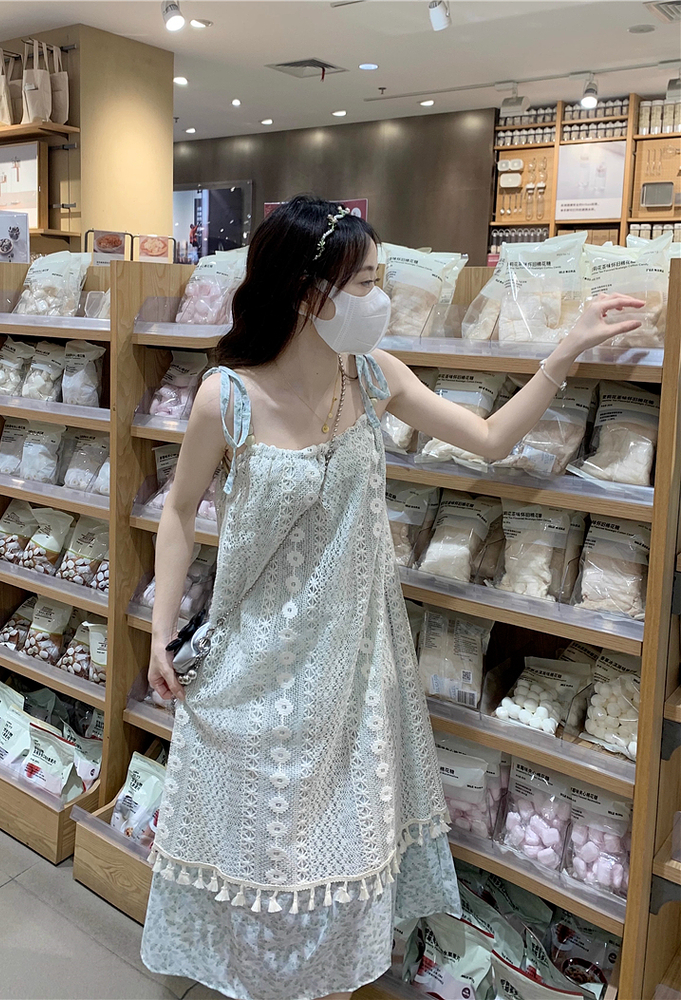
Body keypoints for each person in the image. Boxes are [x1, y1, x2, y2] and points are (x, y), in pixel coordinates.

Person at [140, 195, 643, 1000]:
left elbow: (490, 441)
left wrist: (565, 351)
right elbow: (177, 511)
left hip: (354, 667)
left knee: (341, 849)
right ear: (308, 293)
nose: (381, 299)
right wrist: (160, 633)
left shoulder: (374, 377)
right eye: (368, 283)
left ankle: (329, 982)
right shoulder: (225, 396)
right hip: (251, 662)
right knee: (252, 845)